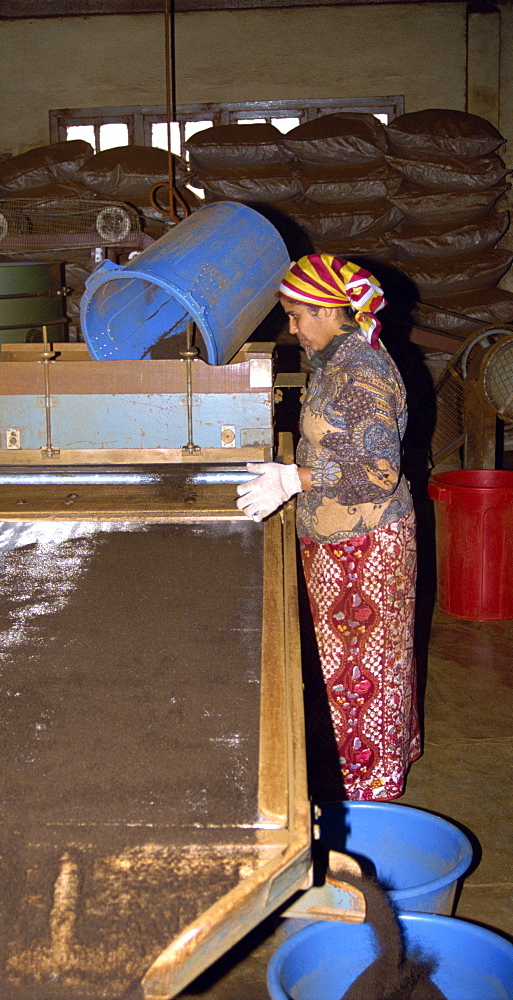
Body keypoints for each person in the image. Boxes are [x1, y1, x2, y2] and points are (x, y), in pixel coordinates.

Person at [236, 253, 420, 801]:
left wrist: (297, 477)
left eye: (297, 315)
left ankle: (368, 792)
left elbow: (378, 472)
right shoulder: (337, 358)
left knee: (364, 673)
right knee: (350, 669)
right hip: (340, 540)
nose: (291, 328)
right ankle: (359, 771)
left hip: (366, 546)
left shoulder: (361, 371)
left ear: (330, 311)